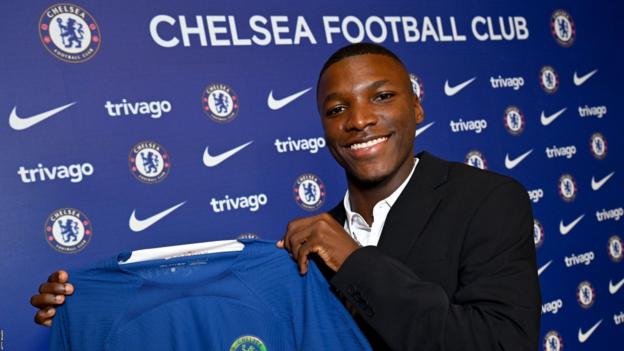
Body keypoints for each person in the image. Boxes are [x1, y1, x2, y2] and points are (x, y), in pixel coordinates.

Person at [32, 43, 541, 350]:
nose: (359, 120)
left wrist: (353, 259)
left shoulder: (489, 200)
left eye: (381, 97)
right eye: (337, 108)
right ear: (323, 127)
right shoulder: (303, 250)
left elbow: (499, 344)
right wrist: (85, 305)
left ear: (418, 107)